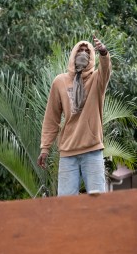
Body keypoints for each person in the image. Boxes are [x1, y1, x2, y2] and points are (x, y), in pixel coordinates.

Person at [38, 37, 111, 196]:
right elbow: (52, 117)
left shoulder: (97, 79)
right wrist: (45, 147)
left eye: (87, 51)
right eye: (80, 50)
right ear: (73, 54)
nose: (83, 54)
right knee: (66, 205)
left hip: (92, 151)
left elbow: (106, 70)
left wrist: (104, 53)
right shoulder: (60, 82)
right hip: (68, 153)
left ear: (92, 57)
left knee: (99, 204)